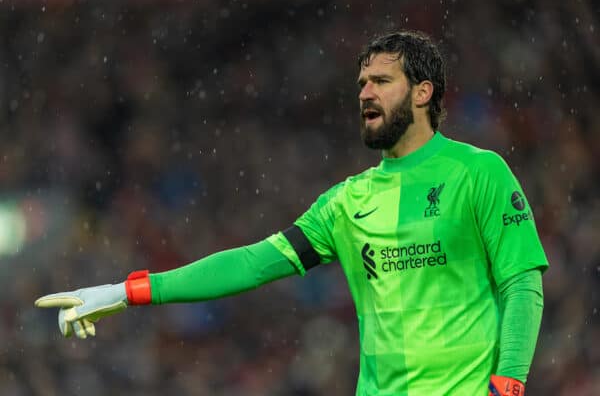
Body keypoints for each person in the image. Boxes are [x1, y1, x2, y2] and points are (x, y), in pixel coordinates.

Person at [36, 30, 548, 396]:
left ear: (422, 92)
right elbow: (254, 263)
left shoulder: (480, 172)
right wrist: (129, 291)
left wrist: (510, 382)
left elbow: (521, 283)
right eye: (361, 81)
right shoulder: (348, 202)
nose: (364, 91)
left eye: (380, 81)